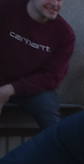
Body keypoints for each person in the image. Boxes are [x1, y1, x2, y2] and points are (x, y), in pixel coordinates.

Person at [0, 0, 75, 132]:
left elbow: (52, 77)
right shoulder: (6, 9)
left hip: (32, 89)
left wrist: (10, 89)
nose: (55, 4)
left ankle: (57, 150)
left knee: (49, 115)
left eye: (60, 0)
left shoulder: (65, 34)